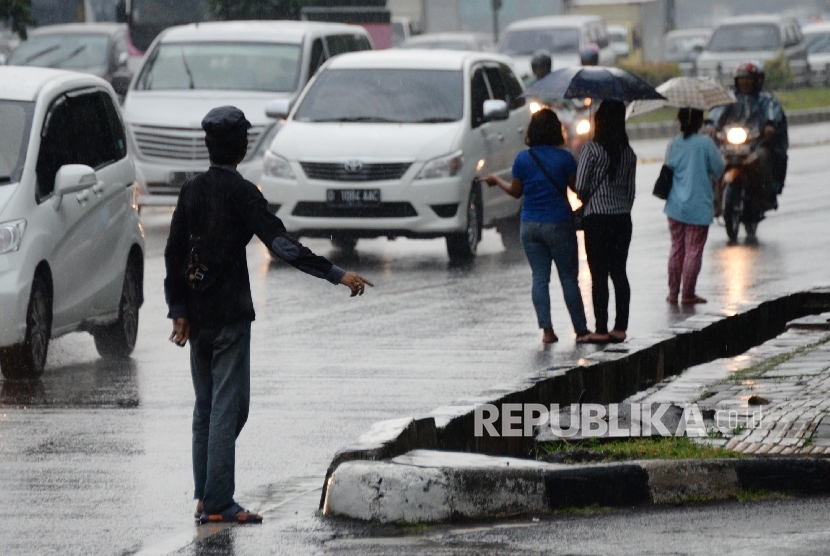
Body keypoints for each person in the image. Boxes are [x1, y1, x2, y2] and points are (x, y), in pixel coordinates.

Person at [164, 106, 372, 524]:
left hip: (198, 315)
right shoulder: (243, 193)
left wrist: (179, 309)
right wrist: (335, 274)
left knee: (206, 407)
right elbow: (282, 245)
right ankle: (219, 501)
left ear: (208, 145)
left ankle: (206, 497)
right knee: (228, 408)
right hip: (228, 316)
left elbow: (173, 252)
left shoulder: (191, 191)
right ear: (242, 146)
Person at [483, 109, 591, 344]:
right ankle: (581, 331)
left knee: (539, 278)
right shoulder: (564, 158)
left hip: (529, 226)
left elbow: (515, 192)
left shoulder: (523, 159)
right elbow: (578, 190)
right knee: (568, 279)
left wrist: (496, 181)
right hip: (559, 224)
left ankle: (547, 331)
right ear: (556, 130)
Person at [574, 100, 636, 344]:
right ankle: (620, 327)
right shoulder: (629, 153)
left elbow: (580, 188)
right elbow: (630, 192)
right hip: (622, 218)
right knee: (619, 272)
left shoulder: (591, 150)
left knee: (598, 274)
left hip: (596, 220)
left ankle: (601, 328)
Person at [664, 108, 725, 305]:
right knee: (693, 250)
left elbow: (668, 167)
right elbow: (719, 168)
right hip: (698, 207)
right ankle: (688, 293)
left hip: (674, 205)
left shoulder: (673, 143)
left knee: (676, 248)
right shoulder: (706, 143)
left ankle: (673, 293)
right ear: (700, 123)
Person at [708, 62, 788, 208]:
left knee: (764, 157)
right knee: (712, 160)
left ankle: (767, 195)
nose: (745, 82)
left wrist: (770, 125)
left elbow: (773, 114)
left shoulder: (766, 100)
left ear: (757, 80)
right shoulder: (729, 99)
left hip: (756, 144)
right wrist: (711, 125)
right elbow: (717, 113)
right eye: (741, 78)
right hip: (730, 144)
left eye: (749, 78)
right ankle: (713, 199)